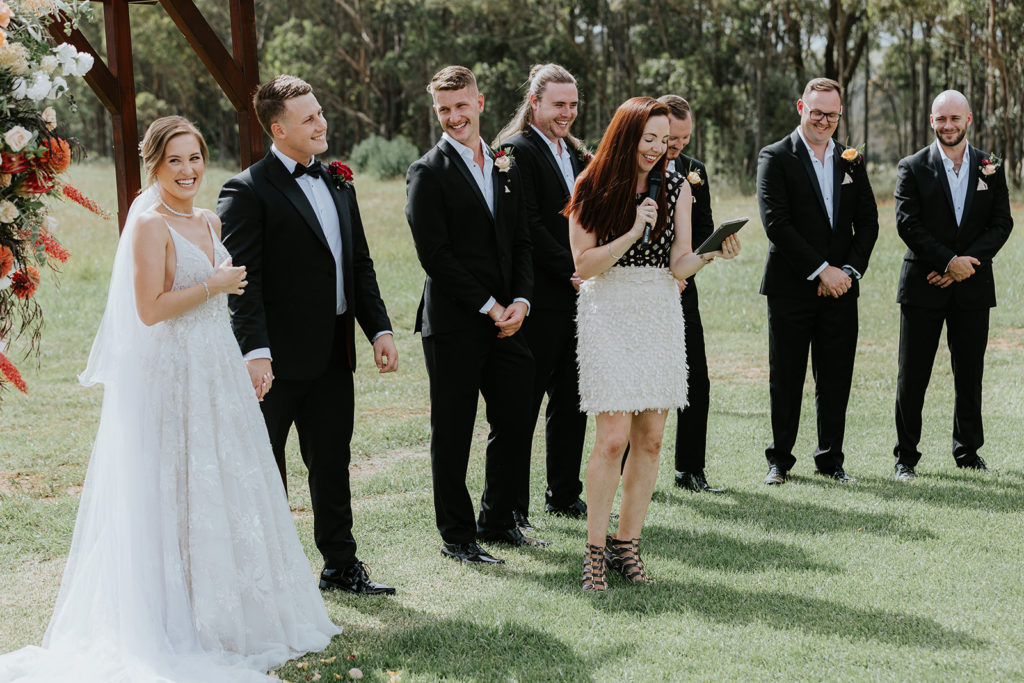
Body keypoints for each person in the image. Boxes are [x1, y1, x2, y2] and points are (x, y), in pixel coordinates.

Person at [0, 117, 339, 682]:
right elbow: (150, 309)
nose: (188, 171)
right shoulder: (150, 225)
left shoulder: (209, 219)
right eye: (175, 160)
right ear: (154, 163)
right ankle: (174, 614)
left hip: (215, 367)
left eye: (196, 158)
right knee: (174, 486)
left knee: (224, 483)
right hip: (172, 372)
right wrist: (216, 285)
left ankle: (231, 610)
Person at [217, 75, 398, 595]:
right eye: (309, 118)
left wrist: (378, 329)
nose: (322, 124)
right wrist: (255, 353)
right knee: (265, 472)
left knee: (332, 466)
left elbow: (357, 262)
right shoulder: (246, 190)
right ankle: (266, 580)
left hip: (334, 355)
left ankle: (341, 567)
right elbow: (241, 284)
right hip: (273, 365)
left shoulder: (339, 181)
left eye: (320, 113)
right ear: (278, 128)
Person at [566, 97, 739, 591]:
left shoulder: (679, 186)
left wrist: (710, 254)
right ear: (627, 135)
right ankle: (594, 551)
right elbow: (583, 264)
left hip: (660, 311)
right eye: (650, 139)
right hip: (610, 311)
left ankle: (628, 545)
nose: (660, 150)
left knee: (652, 438)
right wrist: (631, 231)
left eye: (665, 141)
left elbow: (679, 262)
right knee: (613, 437)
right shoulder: (591, 185)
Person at [406, 65, 546, 566]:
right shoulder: (427, 172)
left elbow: (523, 239)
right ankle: (458, 536)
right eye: (444, 109)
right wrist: (489, 306)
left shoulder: (507, 162)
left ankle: (500, 519)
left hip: (510, 321)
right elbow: (435, 257)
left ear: (480, 104)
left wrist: (523, 302)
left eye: (461, 106)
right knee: (454, 430)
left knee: (513, 419)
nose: (453, 117)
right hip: (455, 324)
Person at [756, 77, 878, 486]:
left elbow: (869, 222)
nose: (825, 120)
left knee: (836, 376)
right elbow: (777, 224)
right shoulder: (775, 157)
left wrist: (846, 273)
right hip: (792, 287)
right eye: (817, 112)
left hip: (841, 289)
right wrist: (820, 269)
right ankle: (780, 461)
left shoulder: (851, 160)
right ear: (800, 108)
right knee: (786, 375)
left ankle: (831, 460)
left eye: (832, 114)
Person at [891, 90, 1013, 481]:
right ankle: (905, 458)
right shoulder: (911, 166)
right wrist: (947, 262)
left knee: (970, 372)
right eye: (940, 119)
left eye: (954, 119)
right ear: (931, 121)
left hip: (973, 286)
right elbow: (908, 224)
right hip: (924, 283)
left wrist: (965, 265)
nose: (948, 126)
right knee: (913, 375)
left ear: (969, 120)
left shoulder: (990, 165)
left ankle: (968, 452)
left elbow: (1001, 224)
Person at [497, 64, 589, 524]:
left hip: (579, 298)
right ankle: (512, 508)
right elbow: (527, 223)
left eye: (572, 105)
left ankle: (564, 493)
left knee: (573, 399)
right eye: (558, 105)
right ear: (535, 103)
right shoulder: (516, 150)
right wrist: (573, 267)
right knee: (524, 405)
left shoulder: (574, 152)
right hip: (539, 296)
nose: (567, 113)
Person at [657, 94, 721, 493]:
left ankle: (690, 470)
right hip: (644, 288)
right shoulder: (636, 165)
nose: (678, 146)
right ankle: (629, 474)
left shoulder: (694, 171)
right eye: (672, 138)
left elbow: (705, 228)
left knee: (696, 378)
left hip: (685, 288)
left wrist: (706, 255)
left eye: (685, 138)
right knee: (643, 383)